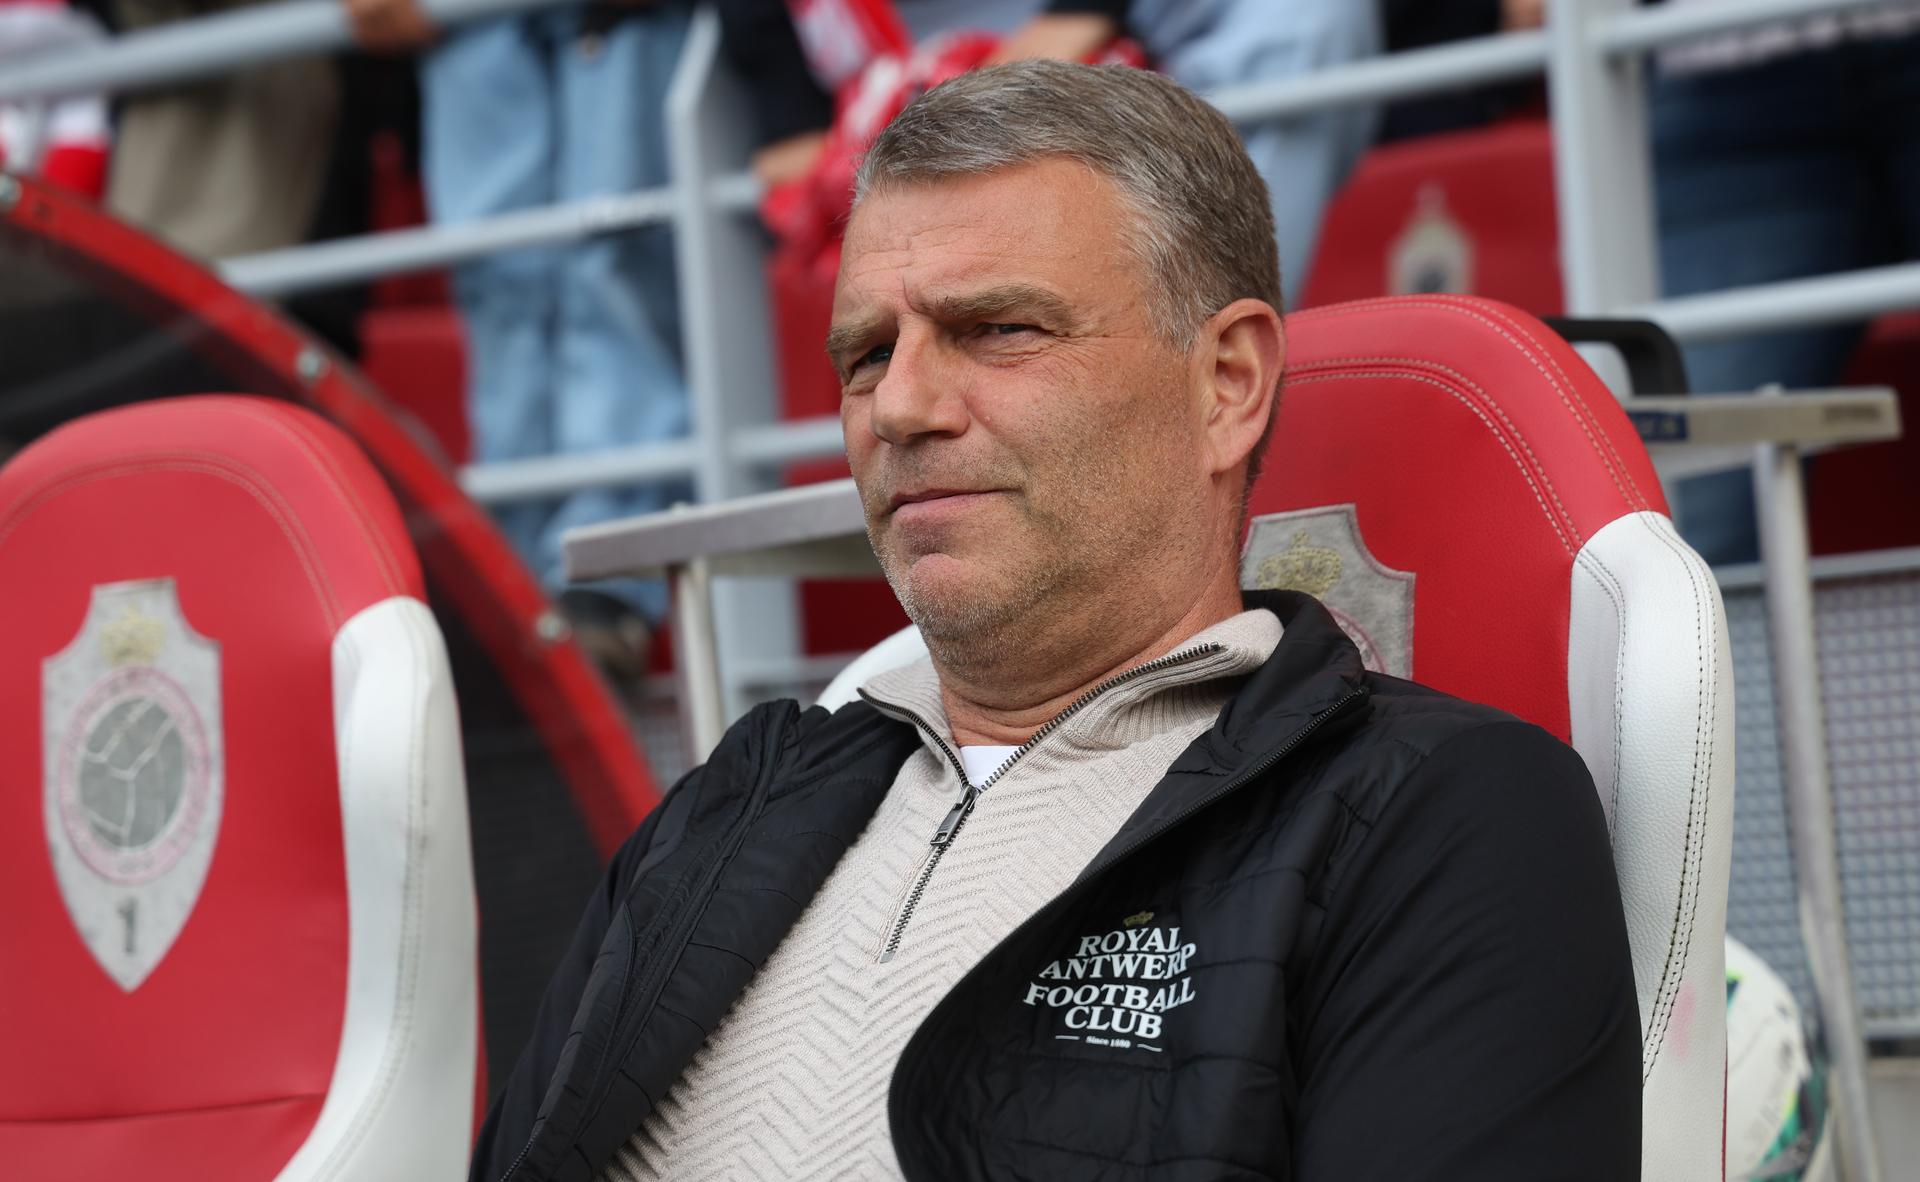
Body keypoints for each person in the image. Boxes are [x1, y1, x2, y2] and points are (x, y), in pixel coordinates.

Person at [469, 61, 1639, 1182]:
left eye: (1000, 330)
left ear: (1227, 381)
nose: (903, 409)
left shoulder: (1433, 814)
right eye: (867, 353)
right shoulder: (729, 803)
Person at [419, 0, 693, 679]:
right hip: (465, 26)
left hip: (619, 20)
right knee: (499, 277)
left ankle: (605, 575)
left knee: (614, 259)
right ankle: (514, 586)